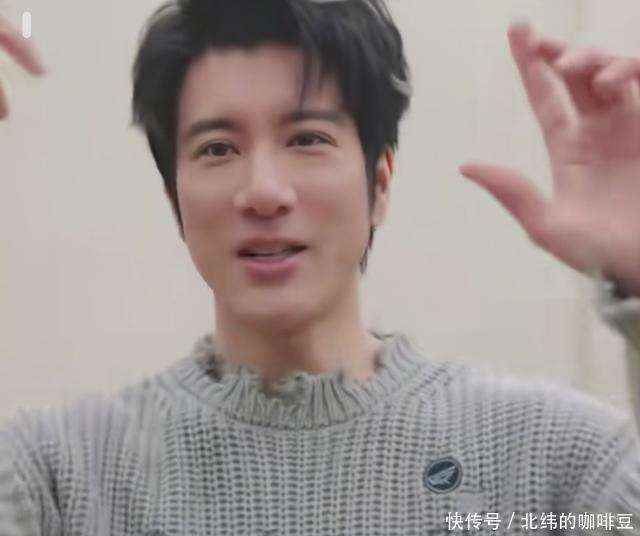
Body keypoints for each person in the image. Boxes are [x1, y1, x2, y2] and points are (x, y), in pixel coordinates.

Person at [1, 0, 639, 534]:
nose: (264, 192)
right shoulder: (56, 476)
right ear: (175, 201)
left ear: (380, 183)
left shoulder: (555, 464)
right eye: (218, 148)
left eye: (307, 139)